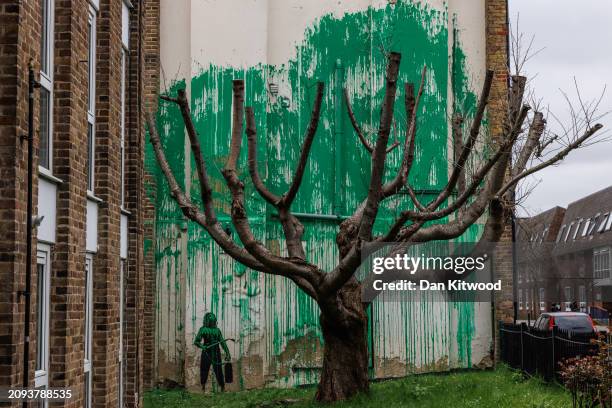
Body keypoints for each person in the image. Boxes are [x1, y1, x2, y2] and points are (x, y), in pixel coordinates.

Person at [194, 312, 231, 392]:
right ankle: (203, 387)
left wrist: (227, 353)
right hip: (206, 352)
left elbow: (222, 342)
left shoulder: (217, 331)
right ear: (207, 320)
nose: (213, 320)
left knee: (218, 370)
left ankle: (222, 387)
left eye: (213, 319)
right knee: (204, 370)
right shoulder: (203, 329)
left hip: (216, 352)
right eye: (211, 318)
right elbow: (196, 341)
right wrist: (203, 346)